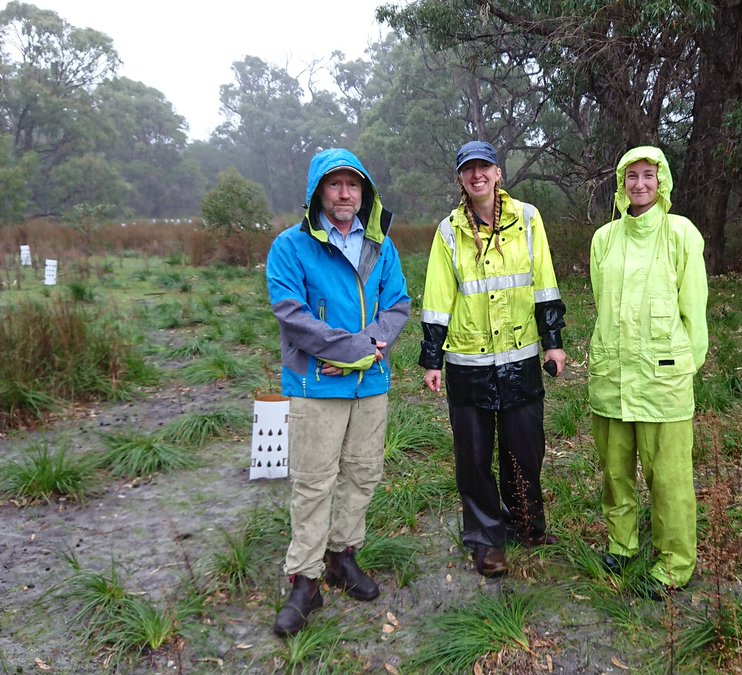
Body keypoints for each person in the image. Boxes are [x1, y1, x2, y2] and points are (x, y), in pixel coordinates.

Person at [266, 148, 410, 637]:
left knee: (363, 474)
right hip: (315, 386)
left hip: (370, 385)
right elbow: (292, 315)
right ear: (317, 193)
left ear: (365, 192)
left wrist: (369, 348)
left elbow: (398, 303)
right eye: (335, 185)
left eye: (354, 185)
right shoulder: (290, 246)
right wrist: (356, 348)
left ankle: (341, 556)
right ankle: (304, 581)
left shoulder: (379, 246)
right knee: (313, 483)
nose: (346, 194)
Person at [419, 140, 567, 577]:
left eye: (484, 167)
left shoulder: (528, 218)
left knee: (525, 449)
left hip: (521, 358)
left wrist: (553, 340)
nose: (477, 175)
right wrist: (432, 359)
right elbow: (436, 298)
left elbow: (544, 282)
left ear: (498, 173)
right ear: (461, 179)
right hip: (468, 363)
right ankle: (486, 541)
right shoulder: (447, 232)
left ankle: (526, 524)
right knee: (474, 457)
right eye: (468, 169)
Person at [588, 146, 708, 592]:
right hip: (612, 377)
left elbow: (694, 310)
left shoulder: (681, 234)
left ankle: (674, 562)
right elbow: (604, 303)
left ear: (663, 181)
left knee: (669, 477)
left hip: (663, 380)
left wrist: (684, 369)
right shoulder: (604, 239)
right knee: (615, 472)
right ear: (621, 184)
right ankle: (622, 546)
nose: (639, 184)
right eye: (631, 177)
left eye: (648, 175)